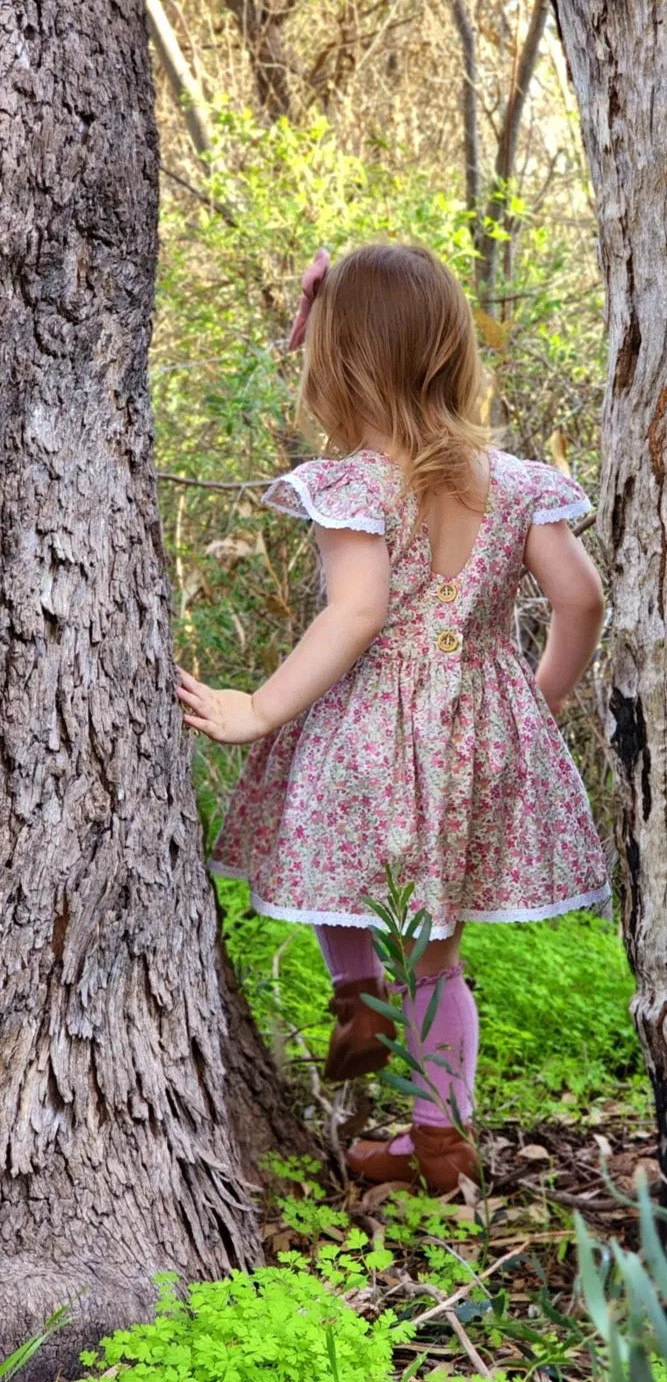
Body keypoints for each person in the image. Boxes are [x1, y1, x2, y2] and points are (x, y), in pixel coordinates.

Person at [177, 242, 609, 1192]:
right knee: (439, 954)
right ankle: (438, 1145)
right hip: (475, 730)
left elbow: (358, 611)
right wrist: (536, 702)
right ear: (451, 349)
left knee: (338, 865)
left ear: (338, 360)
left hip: (365, 727)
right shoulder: (520, 484)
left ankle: (354, 989)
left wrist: (261, 707)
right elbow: (579, 601)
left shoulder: (353, 487)